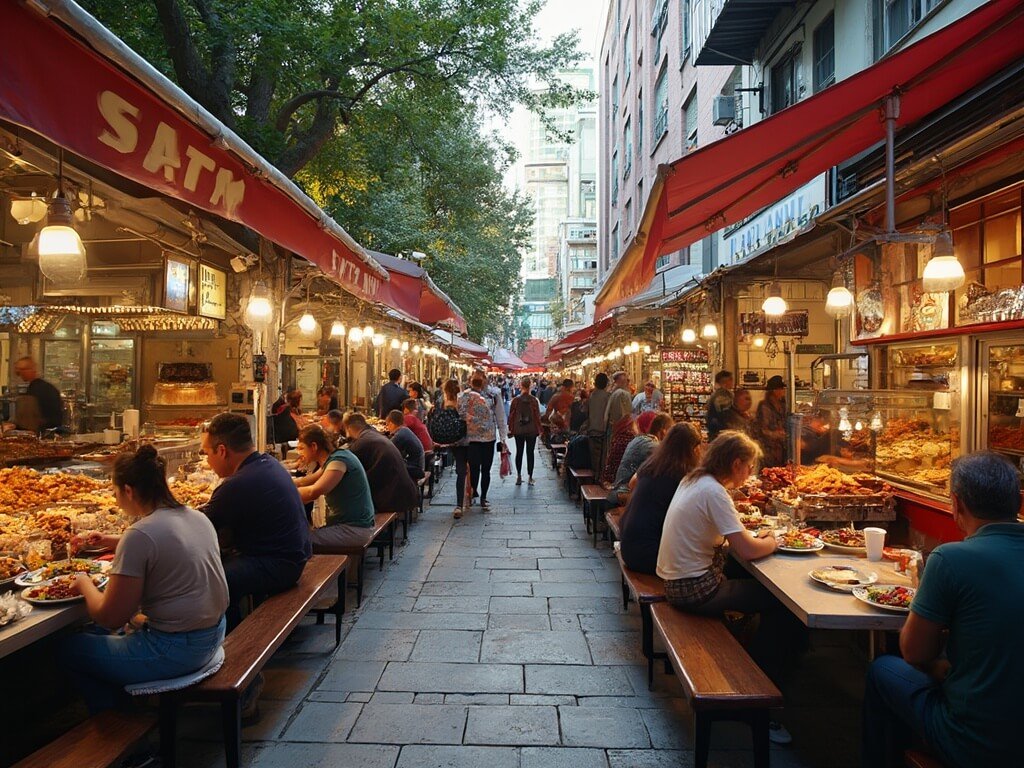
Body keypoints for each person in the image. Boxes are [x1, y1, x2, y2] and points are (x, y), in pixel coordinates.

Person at [862, 452, 1024, 768]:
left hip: (976, 744)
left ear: (956, 503)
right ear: (1018, 503)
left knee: (883, 669)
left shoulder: (950, 559)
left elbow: (914, 652)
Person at [62, 445, 228, 713]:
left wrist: (84, 583)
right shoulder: (197, 517)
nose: (115, 499)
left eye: (115, 492)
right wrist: (112, 540)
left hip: (176, 651)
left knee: (71, 648)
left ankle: (116, 730)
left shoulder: (140, 534)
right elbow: (165, 542)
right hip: (213, 635)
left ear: (128, 490)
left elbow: (110, 616)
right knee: (104, 633)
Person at [657, 431, 796, 744]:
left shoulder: (694, 480)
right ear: (735, 464)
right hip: (694, 589)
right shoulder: (714, 491)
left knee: (751, 588)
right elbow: (746, 550)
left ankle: (751, 663)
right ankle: (761, 693)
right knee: (782, 606)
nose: (749, 473)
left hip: (677, 581)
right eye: (749, 467)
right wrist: (774, 541)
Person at [199, 413, 311, 628]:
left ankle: (231, 644)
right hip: (294, 556)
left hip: (280, 566)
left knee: (212, 580)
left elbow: (196, 530)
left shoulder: (236, 484)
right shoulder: (267, 463)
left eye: (207, 453)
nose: (207, 461)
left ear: (222, 451)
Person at [619, 423, 702, 574]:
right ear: (694, 449)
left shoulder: (654, 464)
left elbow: (632, 483)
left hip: (630, 546)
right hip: (648, 555)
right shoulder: (679, 474)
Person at [293, 425, 376, 551]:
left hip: (354, 530)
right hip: (354, 526)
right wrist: (283, 482)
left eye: (301, 448)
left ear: (314, 447)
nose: (299, 453)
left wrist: (284, 493)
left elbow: (313, 492)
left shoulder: (338, 462)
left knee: (297, 541)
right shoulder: (335, 457)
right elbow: (304, 481)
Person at [343, 412, 419, 514]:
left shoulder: (363, 442)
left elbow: (346, 463)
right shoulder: (373, 434)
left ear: (349, 428)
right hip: (402, 491)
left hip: (394, 497)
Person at [458, 371, 508, 512]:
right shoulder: (465, 395)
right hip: (472, 438)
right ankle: (475, 490)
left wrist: (503, 437)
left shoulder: (493, 395)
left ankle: (483, 497)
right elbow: (460, 414)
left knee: (486, 469)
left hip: (488, 438)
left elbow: (500, 416)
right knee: (474, 468)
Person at [612, 412, 673, 493]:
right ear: (664, 431)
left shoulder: (639, 439)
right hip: (625, 493)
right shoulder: (652, 446)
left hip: (619, 488)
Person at [12, 356, 63, 432]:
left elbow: (30, 421)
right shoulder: (43, 387)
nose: (20, 374)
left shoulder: (37, 390)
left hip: (42, 434)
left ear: (32, 369)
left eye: (22, 370)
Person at [508, 375, 542, 486]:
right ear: (531, 386)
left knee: (519, 452)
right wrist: (539, 429)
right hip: (531, 430)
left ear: (521, 386)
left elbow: (511, 416)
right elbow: (537, 416)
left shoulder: (516, 400)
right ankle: (530, 477)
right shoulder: (533, 401)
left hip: (519, 430)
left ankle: (518, 476)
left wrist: (511, 429)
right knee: (530, 453)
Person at [754, 376, 788, 467]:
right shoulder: (764, 406)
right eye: (781, 388)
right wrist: (775, 434)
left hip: (781, 448)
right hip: (768, 449)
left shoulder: (783, 404)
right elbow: (762, 430)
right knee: (768, 473)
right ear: (774, 391)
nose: (783, 391)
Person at [583, 373, 611, 479]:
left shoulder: (591, 395)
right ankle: (600, 479)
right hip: (603, 430)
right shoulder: (608, 396)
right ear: (606, 383)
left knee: (594, 457)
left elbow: (587, 412)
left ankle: (595, 477)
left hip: (592, 429)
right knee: (603, 457)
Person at [384, 409, 425, 481]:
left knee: (387, 467)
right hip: (418, 465)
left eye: (387, 424)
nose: (387, 427)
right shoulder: (404, 430)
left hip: (415, 468)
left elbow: (387, 449)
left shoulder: (400, 435)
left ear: (391, 424)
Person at [602, 411, 637, 485]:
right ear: (630, 426)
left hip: (610, 479)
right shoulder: (628, 440)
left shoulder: (619, 438)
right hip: (618, 482)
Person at [272, 388, 302, 456]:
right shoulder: (288, 409)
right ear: (297, 400)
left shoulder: (287, 408)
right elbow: (300, 426)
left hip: (282, 436)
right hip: (285, 437)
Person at [705, 370, 735, 441]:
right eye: (731, 379)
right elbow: (726, 414)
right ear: (725, 381)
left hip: (718, 432)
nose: (732, 381)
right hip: (720, 433)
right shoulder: (722, 395)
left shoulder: (719, 394)